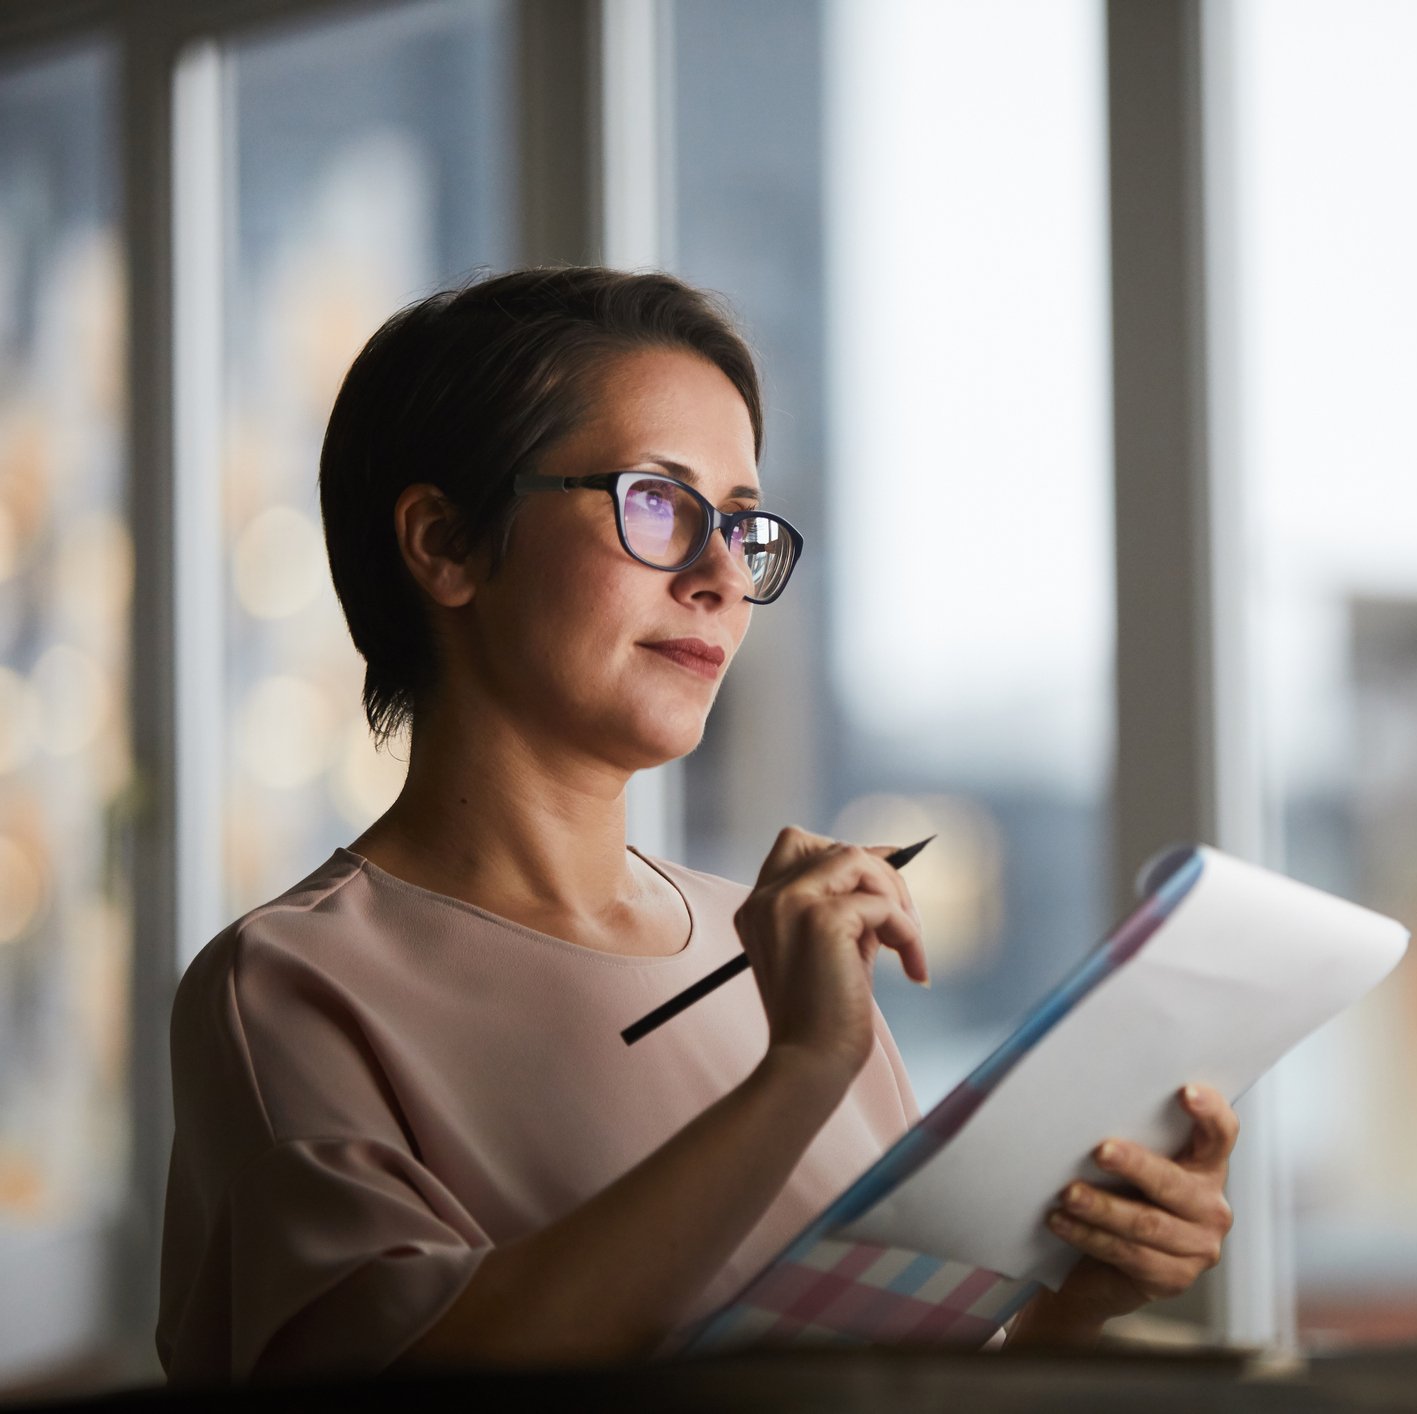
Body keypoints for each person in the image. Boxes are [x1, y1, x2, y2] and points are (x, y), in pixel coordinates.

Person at [154, 267, 1238, 1384]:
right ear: (444, 544)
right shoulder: (289, 987)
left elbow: (891, 1379)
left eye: (742, 522)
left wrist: (1072, 1307)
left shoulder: (771, 948)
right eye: (658, 504)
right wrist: (802, 1069)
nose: (724, 574)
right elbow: (421, 1375)